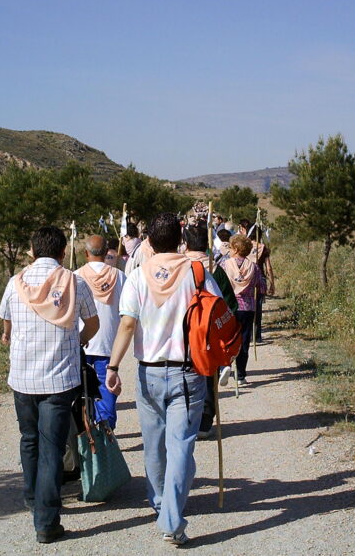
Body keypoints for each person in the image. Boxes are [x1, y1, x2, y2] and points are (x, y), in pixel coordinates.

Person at [106, 213, 224, 546]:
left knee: (154, 446)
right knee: (182, 445)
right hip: (189, 372)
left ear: (150, 242)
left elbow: (128, 325)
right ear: (181, 240)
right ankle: (171, 518)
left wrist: (113, 367)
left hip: (150, 373)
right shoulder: (198, 272)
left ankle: (161, 504)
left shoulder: (138, 275)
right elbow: (218, 314)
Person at [0, 226, 99, 544]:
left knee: (29, 439)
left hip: (23, 378)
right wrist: (76, 342)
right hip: (58, 378)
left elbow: (6, 327)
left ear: (31, 251)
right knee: (52, 447)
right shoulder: (75, 281)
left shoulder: (15, 284)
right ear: (61, 251)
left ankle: (32, 497)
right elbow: (93, 323)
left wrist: (11, 337)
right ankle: (46, 521)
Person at [182, 222, 238, 439]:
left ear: (186, 245)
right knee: (207, 376)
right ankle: (205, 422)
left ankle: (188, 420)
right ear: (206, 246)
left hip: (184, 332)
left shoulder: (179, 267)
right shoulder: (217, 270)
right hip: (209, 334)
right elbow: (229, 305)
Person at [75, 234, 126, 430]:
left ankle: (84, 430)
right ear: (106, 252)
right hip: (109, 343)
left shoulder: (75, 276)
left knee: (81, 390)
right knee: (107, 388)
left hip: (82, 342)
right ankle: (107, 431)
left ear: (86, 253)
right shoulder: (119, 277)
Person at [219, 234, 265, 388]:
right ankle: (241, 375)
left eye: (231, 248)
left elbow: (218, 284)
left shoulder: (225, 265)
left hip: (229, 308)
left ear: (236, 249)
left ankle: (225, 365)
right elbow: (262, 287)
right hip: (248, 307)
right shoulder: (254, 267)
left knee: (227, 338)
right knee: (244, 341)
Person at [239, 220, 275, 343]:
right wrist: (272, 283)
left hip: (247, 278)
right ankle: (257, 335)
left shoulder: (245, 246)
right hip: (260, 279)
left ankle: (247, 333)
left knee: (248, 306)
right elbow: (268, 267)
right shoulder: (263, 248)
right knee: (258, 307)